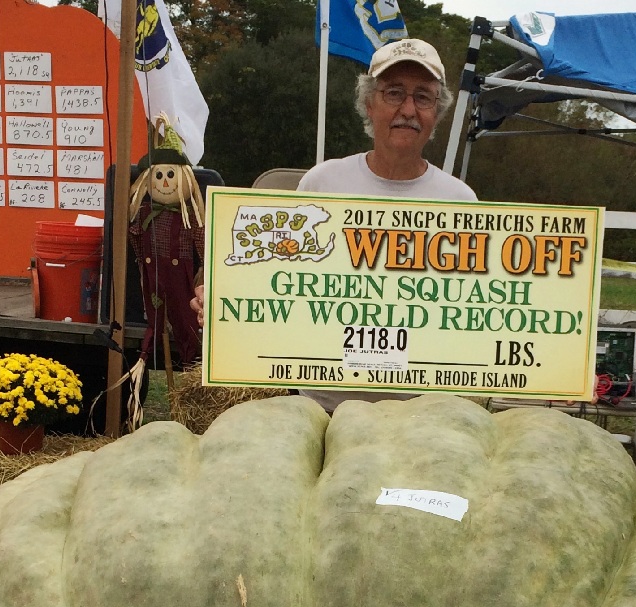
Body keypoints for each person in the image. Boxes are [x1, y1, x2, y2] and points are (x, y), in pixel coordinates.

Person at [192, 38, 477, 411]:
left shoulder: (460, 201)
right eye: (394, 93)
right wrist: (222, 301)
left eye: (423, 97)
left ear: (436, 114)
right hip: (322, 406)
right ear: (369, 103)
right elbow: (272, 277)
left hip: (420, 413)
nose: (408, 109)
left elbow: (475, 311)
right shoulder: (322, 182)